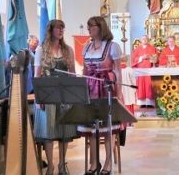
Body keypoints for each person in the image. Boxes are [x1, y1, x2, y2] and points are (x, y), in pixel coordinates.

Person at [78, 16, 125, 175]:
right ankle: (93, 163)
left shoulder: (113, 47)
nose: (89, 29)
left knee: (108, 128)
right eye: (88, 26)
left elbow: (118, 71)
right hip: (90, 91)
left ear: (100, 28)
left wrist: (118, 93)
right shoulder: (86, 47)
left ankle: (108, 163)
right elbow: (85, 72)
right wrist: (82, 92)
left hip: (106, 90)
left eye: (92, 26)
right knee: (92, 128)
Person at [33, 20, 78, 175]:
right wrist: (39, 99)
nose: (61, 30)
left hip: (64, 96)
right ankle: (51, 165)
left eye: (62, 28)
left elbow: (72, 74)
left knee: (65, 132)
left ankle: (62, 164)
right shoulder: (41, 49)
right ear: (50, 30)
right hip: (48, 95)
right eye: (58, 28)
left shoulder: (68, 50)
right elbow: (37, 75)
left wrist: (73, 95)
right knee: (49, 133)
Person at [131, 35, 157, 108]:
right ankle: (142, 103)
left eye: (146, 39)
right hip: (140, 70)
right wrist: (141, 57)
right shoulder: (137, 49)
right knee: (141, 86)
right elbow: (134, 59)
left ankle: (150, 103)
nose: (144, 40)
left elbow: (155, 58)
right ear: (141, 40)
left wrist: (150, 57)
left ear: (148, 40)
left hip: (149, 70)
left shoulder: (152, 48)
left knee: (149, 85)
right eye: (143, 39)